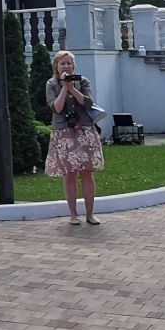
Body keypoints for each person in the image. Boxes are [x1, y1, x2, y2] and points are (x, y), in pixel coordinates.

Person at [45, 50, 104, 225]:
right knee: (69, 174)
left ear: (73, 65)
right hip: (64, 132)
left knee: (87, 173)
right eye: (62, 63)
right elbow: (56, 108)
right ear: (56, 66)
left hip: (84, 130)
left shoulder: (83, 81)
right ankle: (73, 214)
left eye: (69, 63)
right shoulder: (51, 84)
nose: (66, 66)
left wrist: (73, 88)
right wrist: (64, 87)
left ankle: (90, 214)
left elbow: (88, 103)